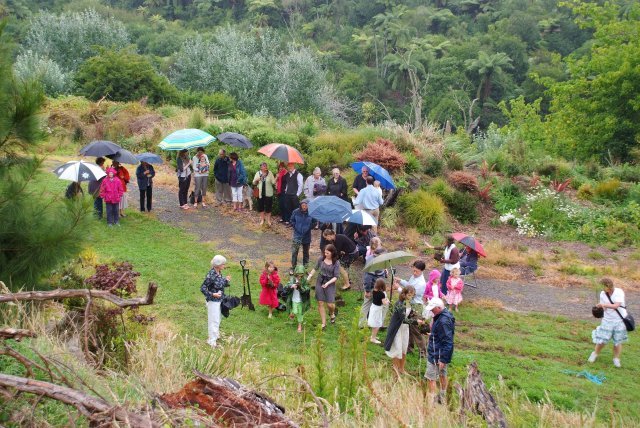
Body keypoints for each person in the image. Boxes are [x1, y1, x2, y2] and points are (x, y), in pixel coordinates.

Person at [588, 278, 629, 367]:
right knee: (602, 339)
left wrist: (604, 305)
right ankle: (595, 354)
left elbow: (616, 305)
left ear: (608, 286)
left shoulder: (619, 292)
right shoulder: (603, 294)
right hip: (607, 320)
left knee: (617, 341)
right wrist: (598, 308)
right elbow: (605, 307)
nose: (601, 288)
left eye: (602, 286)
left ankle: (616, 359)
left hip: (620, 320)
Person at [384, 285, 423, 376]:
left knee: (404, 348)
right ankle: (395, 370)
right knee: (397, 349)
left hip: (405, 329)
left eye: (412, 295)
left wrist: (415, 315)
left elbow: (408, 315)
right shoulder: (399, 304)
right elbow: (403, 319)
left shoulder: (408, 303)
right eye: (409, 295)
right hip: (397, 329)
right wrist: (416, 322)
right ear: (404, 294)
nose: (411, 297)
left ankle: (401, 369)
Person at [394, 260, 428, 356]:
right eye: (413, 270)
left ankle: (423, 351)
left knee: (416, 330)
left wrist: (398, 288)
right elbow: (409, 285)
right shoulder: (414, 276)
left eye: (416, 271)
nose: (414, 273)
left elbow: (409, 295)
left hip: (416, 307)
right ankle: (409, 347)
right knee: (408, 327)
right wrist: (401, 281)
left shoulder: (421, 283)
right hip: (409, 306)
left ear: (422, 271)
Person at [424, 297, 455, 403]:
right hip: (441, 353)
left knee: (431, 377)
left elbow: (448, 341)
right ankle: (442, 397)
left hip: (437, 354)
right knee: (442, 374)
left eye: (433, 309)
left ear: (439, 307)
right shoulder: (444, 315)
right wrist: (433, 335)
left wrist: (442, 359)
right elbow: (442, 335)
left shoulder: (443, 321)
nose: (432, 311)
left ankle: (431, 401)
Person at [200, 255, 231, 348]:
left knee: (218, 319)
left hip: (220, 300)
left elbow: (220, 284)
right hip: (213, 301)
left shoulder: (219, 273)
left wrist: (226, 280)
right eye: (223, 264)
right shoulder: (211, 275)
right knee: (213, 321)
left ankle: (215, 336)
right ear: (217, 265)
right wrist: (212, 294)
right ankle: (211, 341)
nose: (224, 265)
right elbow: (203, 288)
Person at [307, 244, 340, 329]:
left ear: (332, 253)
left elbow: (336, 277)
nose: (325, 254)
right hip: (320, 281)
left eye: (327, 253)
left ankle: (332, 313)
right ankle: (323, 323)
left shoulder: (336, 262)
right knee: (320, 302)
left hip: (330, 283)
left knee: (330, 304)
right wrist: (309, 276)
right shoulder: (321, 259)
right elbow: (315, 268)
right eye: (325, 252)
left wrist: (328, 283)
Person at [359, 237, 387, 327]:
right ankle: (363, 324)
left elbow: (380, 272)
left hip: (380, 287)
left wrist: (385, 272)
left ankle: (377, 323)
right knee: (369, 304)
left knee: (378, 305)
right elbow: (368, 277)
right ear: (377, 254)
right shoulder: (372, 261)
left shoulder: (379, 260)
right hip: (373, 288)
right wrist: (367, 291)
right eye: (383, 255)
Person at [283, 265, 311, 333]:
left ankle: (299, 325)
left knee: (300, 313)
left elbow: (307, 289)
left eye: (301, 275)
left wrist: (300, 288)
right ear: (295, 274)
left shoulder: (305, 280)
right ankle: (292, 313)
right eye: (298, 275)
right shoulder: (292, 279)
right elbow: (286, 287)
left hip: (301, 300)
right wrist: (291, 286)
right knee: (295, 311)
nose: (299, 277)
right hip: (293, 299)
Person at [290, 199, 315, 269]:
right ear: (300, 205)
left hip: (307, 236)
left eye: (306, 206)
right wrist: (296, 227)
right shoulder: (295, 212)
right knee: (294, 252)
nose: (304, 207)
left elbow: (315, 222)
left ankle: (305, 268)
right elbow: (292, 220)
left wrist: (309, 228)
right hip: (297, 236)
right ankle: (293, 267)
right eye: (303, 205)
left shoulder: (311, 213)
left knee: (306, 253)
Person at [368, 278, 390, 344]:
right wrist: (388, 301)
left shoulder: (374, 290)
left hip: (373, 307)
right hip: (377, 309)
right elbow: (384, 303)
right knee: (377, 324)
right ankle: (373, 338)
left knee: (374, 323)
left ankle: (373, 336)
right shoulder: (382, 294)